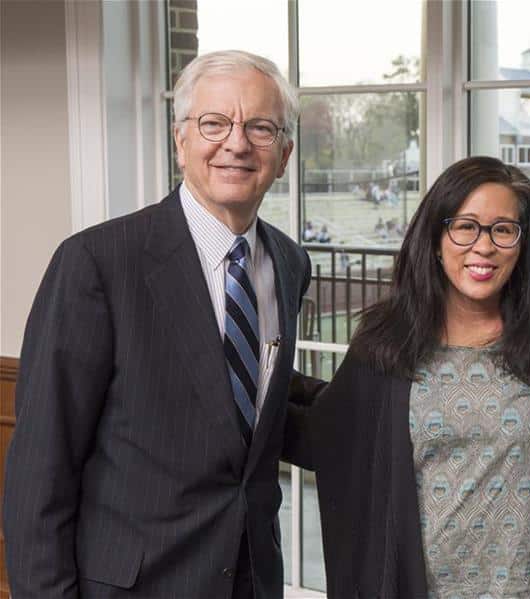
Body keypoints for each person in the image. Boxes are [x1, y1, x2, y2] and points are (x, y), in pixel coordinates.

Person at [3, 50, 325, 599]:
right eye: (214, 123)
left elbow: (246, 406)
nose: (237, 143)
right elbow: (41, 471)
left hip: (251, 581)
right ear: (181, 142)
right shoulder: (98, 263)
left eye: (261, 127)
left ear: (286, 153)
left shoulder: (291, 264)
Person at [285, 156, 530, 598]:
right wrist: (246, 385)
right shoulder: (386, 341)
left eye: (503, 229)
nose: (484, 246)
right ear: (435, 237)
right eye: (465, 226)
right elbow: (335, 435)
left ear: (521, 245)